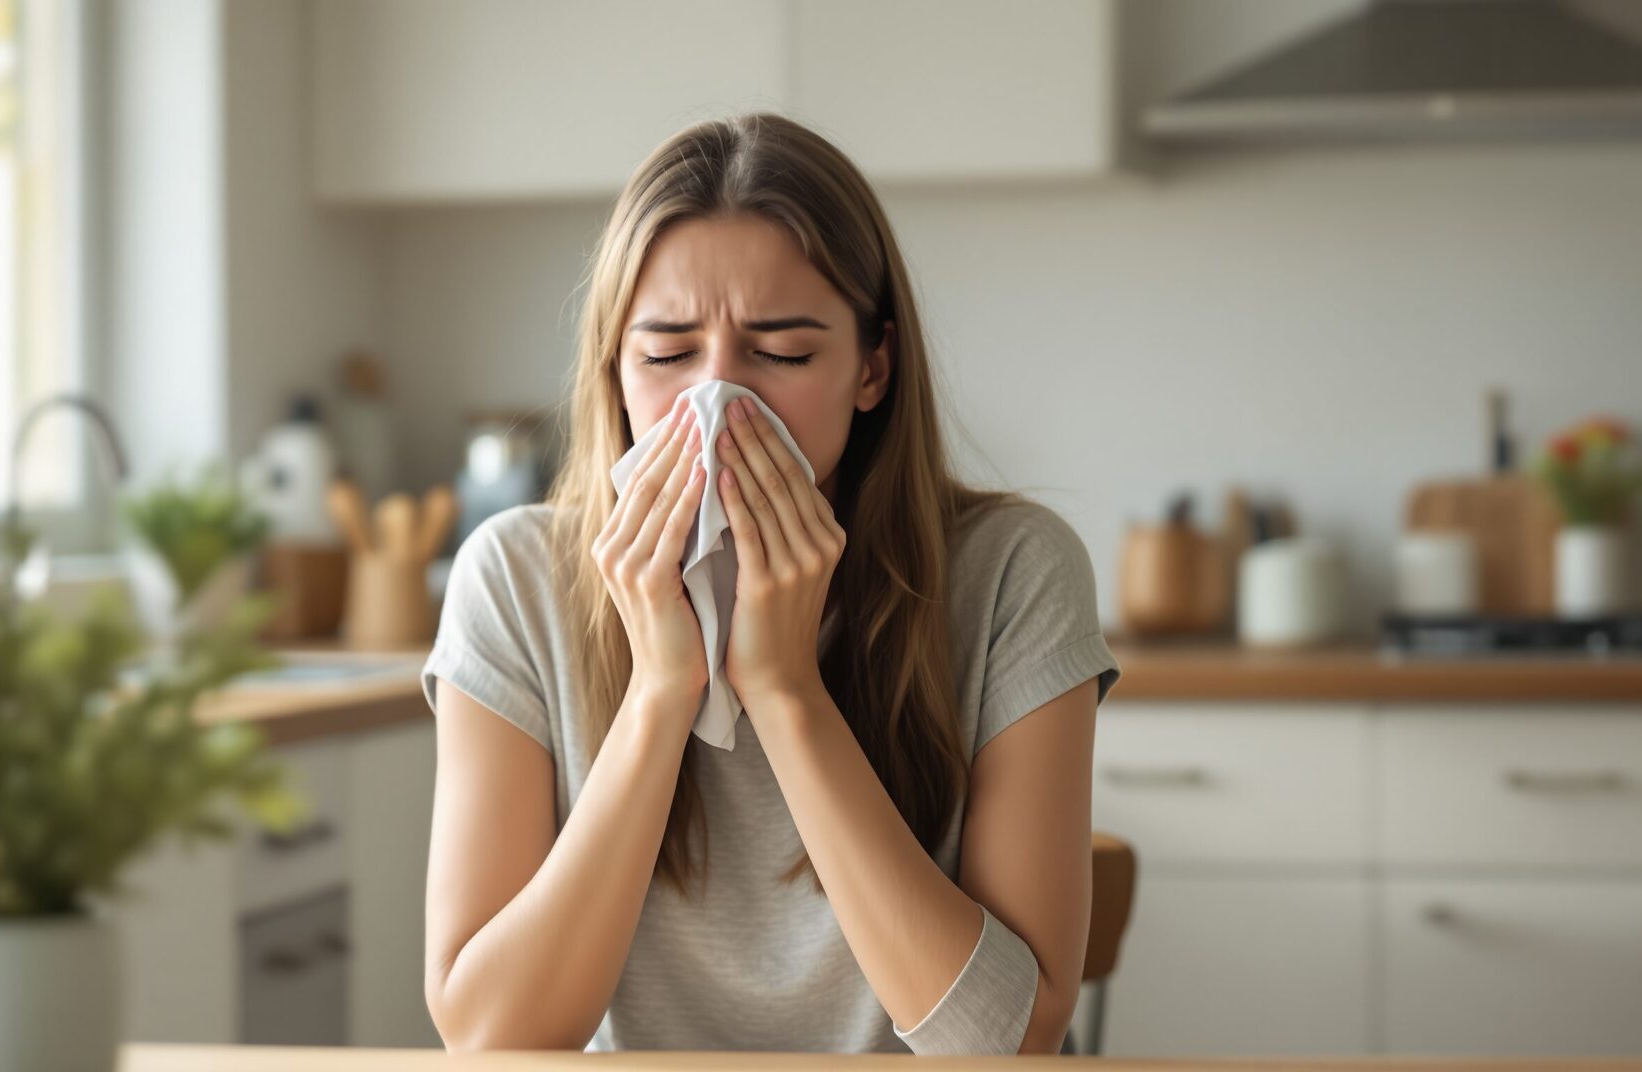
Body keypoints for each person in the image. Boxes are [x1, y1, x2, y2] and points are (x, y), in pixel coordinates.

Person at [419, 111, 1121, 1055]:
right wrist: (664, 693)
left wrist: (786, 689)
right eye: (667, 356)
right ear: (614, 370)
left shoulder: (1012, 573)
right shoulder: (515, 580)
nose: (718, 403)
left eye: (783, 354)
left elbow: (1003, 1042)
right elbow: (493, 1039)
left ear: (872, 367)